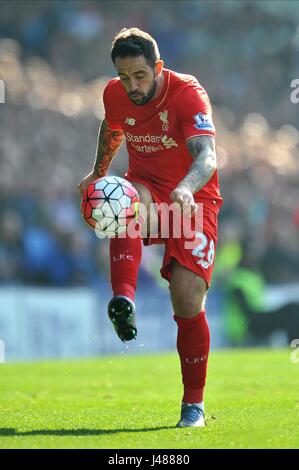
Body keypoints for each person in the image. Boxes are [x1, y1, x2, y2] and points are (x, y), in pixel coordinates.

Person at [78, 27, 222, 427]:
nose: (132, 86)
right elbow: (113, 127)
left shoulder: (187, 94)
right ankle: (123, 299)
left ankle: (193, 405)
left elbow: (208, 157)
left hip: (194, 201)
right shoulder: (115, 94)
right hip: (148, 193)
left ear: (157, 67)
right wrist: (97, 173)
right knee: (118, 198)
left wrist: (187, 188)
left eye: (140, 76)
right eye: (124, 77)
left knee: (187, 298)